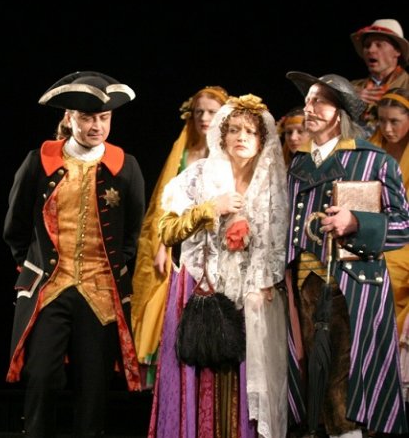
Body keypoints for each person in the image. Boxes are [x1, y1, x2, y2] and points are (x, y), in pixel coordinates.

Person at [3, 70, 145, 438]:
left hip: (100, 290)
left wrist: (113, 268)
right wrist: (32, 266)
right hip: (51, 287)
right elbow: (16, 227)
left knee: (93, 386)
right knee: (42, 374)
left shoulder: (125, 166)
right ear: (69, 118)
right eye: (87, 118)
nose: (97, 126)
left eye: (104, 118)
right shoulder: (40, 161)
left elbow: (132, 232)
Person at [148, 94, 289, 438]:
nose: (242, 137)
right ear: (222, 135)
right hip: (201, 289)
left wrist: (267, 279)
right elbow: (167, 230)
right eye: (234, 130)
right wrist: (210, 208)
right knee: (201, 373)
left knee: (245, 379)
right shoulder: (198, 176)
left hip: (251, 298)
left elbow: (281, 243)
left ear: (262, 140)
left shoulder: (274, 186)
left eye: (250, 132)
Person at [285, 71, 409, 437]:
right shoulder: (298, 164)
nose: (309, 108)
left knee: (347, 374)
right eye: (307, 101)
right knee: (315, 375)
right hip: (304, 284)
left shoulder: (373, 160)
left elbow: (403, 225)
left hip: (354, 283)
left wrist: (356, 221)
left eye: (319, 101)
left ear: (339, 113)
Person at [131, 86, 229, 389]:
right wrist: (163, 245)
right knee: (166, 301)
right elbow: (167, 204)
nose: (204, 118)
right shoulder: (185, 152)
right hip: (183, 240)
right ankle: (165, 380)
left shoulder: (229, 154)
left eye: (211, 112)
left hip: (218, 241)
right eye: (199, 111)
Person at [369, 87, 409, 405]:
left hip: (405, 238)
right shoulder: (373, 148)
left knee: (391, 276)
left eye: (395, 121)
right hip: (378, 233)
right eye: (382, 121)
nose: (387, 128)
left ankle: (394, 367)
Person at [349, 18, 409, 134]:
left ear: (397, 51)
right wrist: (349, 100)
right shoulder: (351, 87)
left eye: (379, 45)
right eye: (367, 45)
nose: (370, 50)